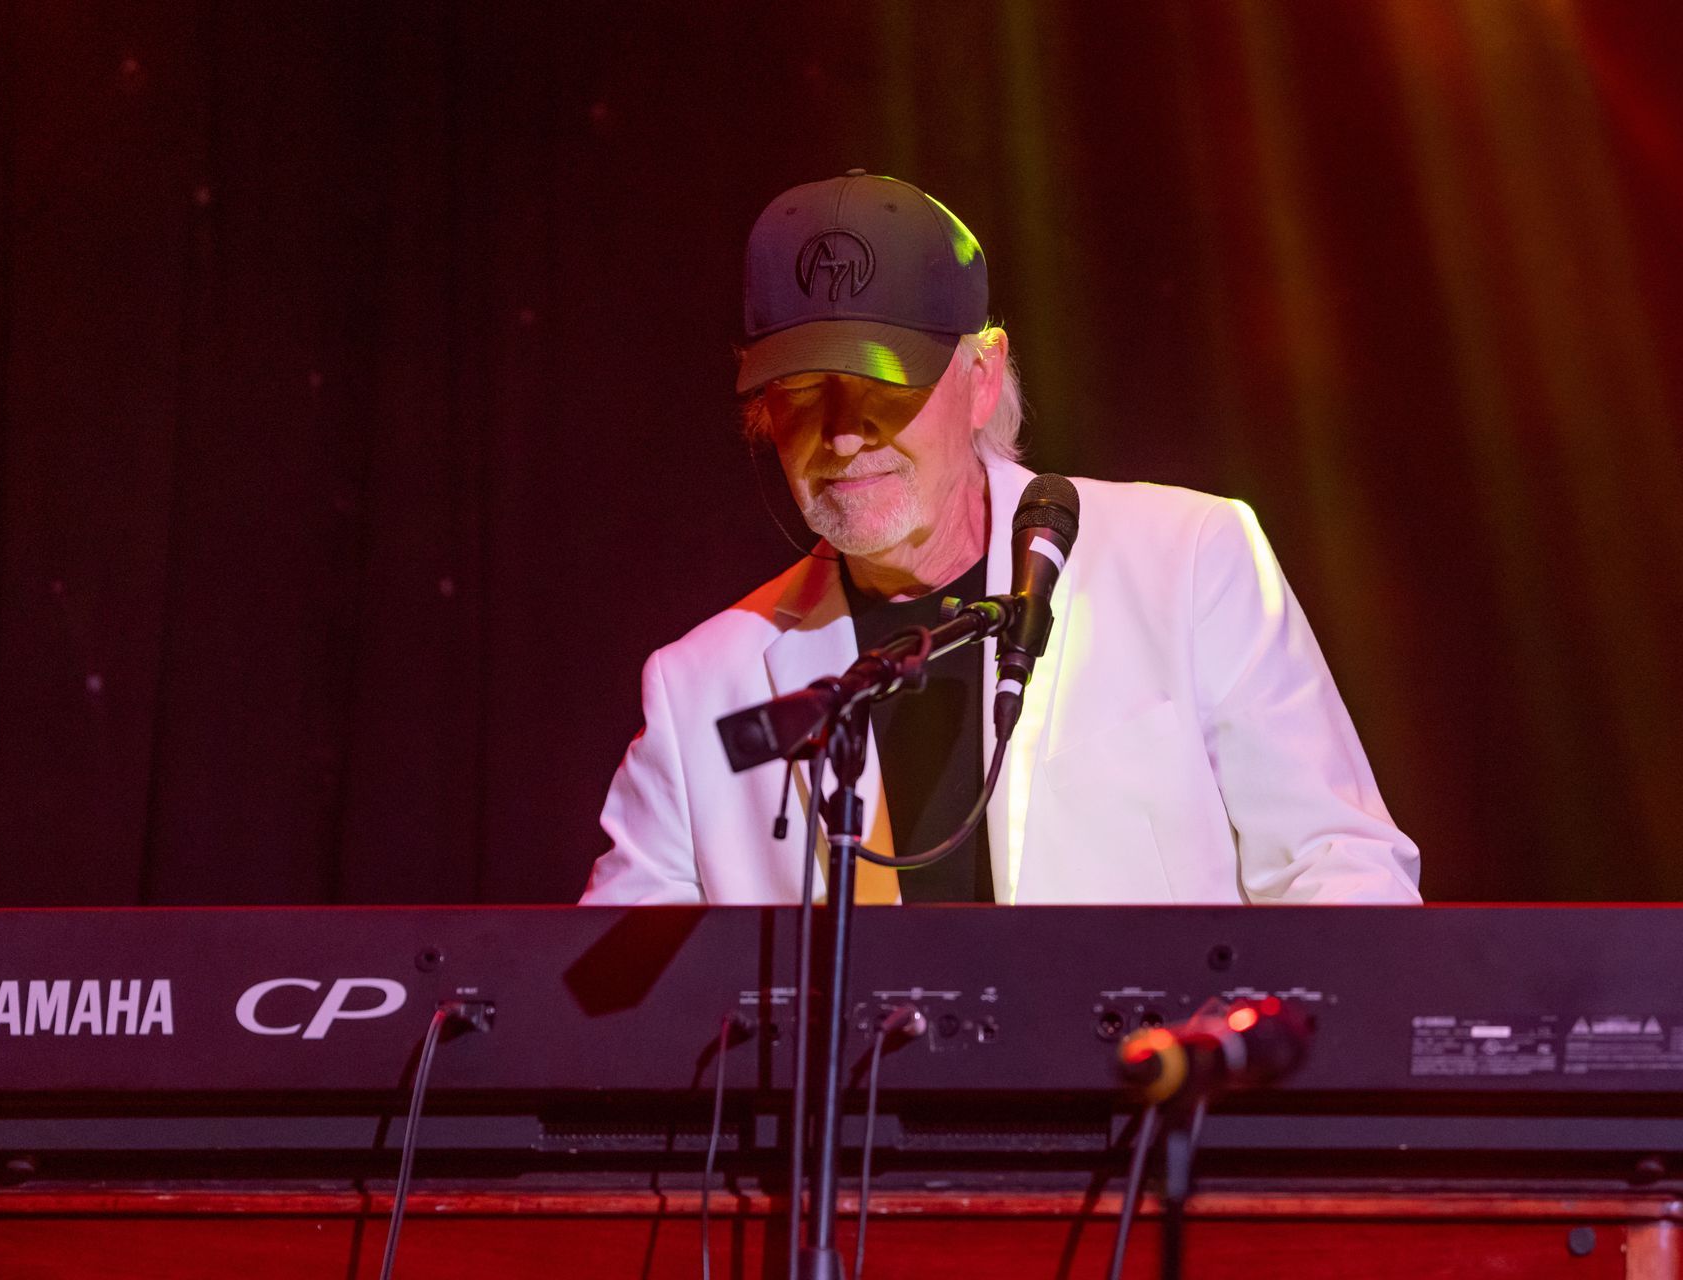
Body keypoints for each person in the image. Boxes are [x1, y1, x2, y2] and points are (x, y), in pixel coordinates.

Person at [582, 170, 1420, 907]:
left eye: (881, 380)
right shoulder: (701, 690)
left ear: (981, 378)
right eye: (802, 391)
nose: (841, 434)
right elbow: (599, 1025)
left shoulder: (1189, 558)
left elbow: (1341, 870)